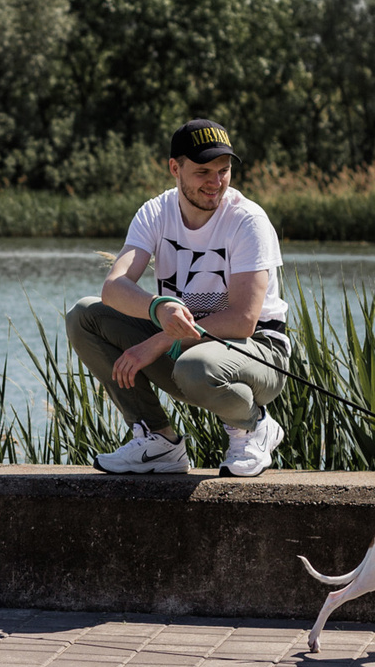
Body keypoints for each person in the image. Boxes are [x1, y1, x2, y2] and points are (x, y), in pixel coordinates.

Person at [67, 119, 291, 478]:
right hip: (190, 348)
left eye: (224, 170)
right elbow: (114, 288)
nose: (215, 182)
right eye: (203, 171)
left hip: (260, 350)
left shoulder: (248, 221)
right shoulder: (156, 213)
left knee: (195, 367)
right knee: (84, 316)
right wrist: (158, 308)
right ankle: (158, 441)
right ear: (175, 167)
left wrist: (161, 339)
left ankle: (253, 426)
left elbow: (243, 320)